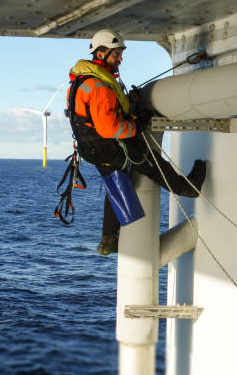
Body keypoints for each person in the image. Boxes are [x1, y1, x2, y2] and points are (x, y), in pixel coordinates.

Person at [66, 29, 206, 256]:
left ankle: (108, 240)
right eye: (116, 54)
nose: (120, 58)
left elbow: (98, 115)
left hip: (92, 148)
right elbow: (110, 127)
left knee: (116, 185)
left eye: (121, 53)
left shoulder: (83, 81)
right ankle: (188, 188)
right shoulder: (100, 86)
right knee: (151, 163)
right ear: (100, 53)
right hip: (110, 146)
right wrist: (138, 124)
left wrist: (130, 105)